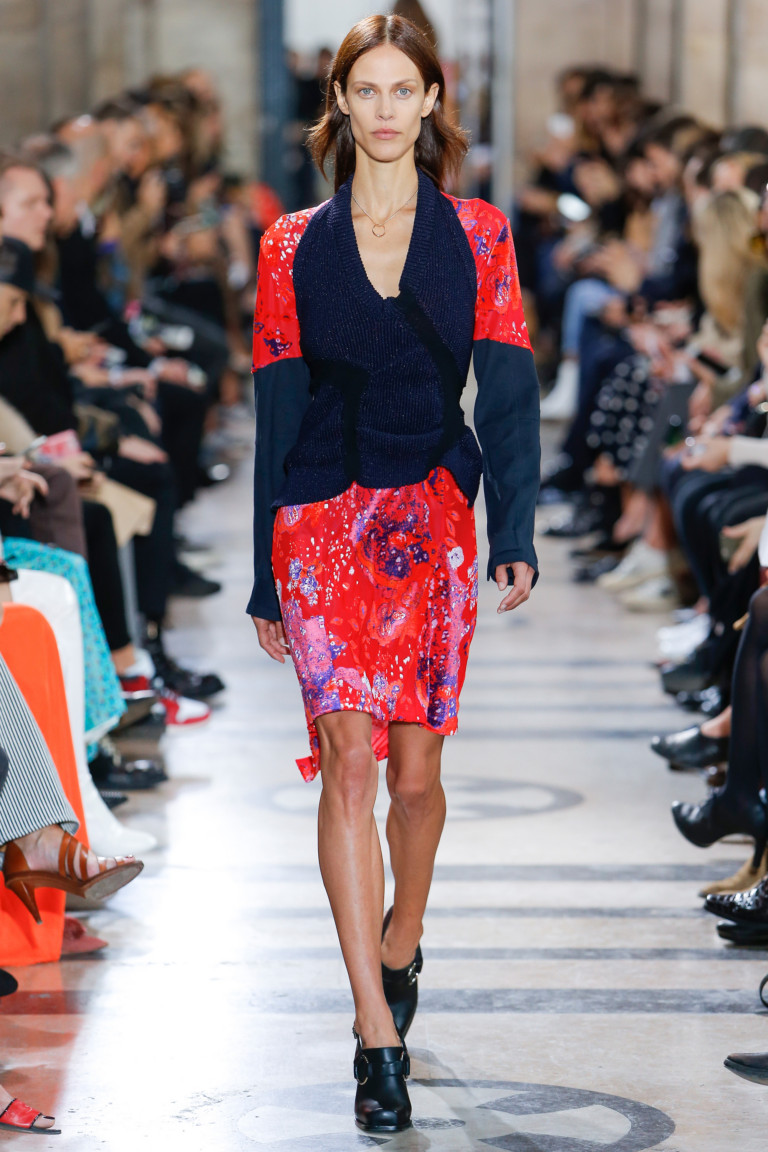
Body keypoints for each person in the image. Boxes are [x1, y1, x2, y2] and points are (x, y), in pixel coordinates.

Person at [248, 14, 540, 1134]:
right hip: (321, 517)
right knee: (350, 761)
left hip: (432, 515)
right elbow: (277, 405)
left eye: (400, 91)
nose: (382, 109)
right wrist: (265, 571)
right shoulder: (289, 245)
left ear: (429, 103)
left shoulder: (480, 235)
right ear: (340, 101)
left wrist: (515, 525)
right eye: (364, 90)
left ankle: (402, 939)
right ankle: (375, 1030)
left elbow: (505, 387)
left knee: (414, 779)